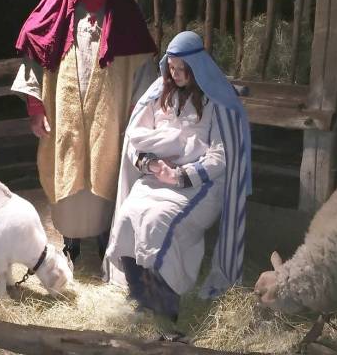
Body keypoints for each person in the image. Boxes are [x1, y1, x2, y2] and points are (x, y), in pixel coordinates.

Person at [11, 0, 157, 263]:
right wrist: (35, 106)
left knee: (106, 169)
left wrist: (137, 112)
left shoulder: (124, 12)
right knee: (67, 168)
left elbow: (142, 68)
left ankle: (106, 237)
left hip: (108, 114)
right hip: (65, 115)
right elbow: (34, 50)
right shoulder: (58, 9)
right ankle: (71, 241)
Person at [104, 31, 252, 321]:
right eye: (171, 68)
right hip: (157, 177)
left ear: (197, 68)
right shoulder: (160, 93)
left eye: (183, 69)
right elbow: (135, 139)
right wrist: (150, 165)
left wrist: (180, 175)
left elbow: (220, 157)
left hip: (199, 184)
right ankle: (140, 294)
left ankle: (164, 302)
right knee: (129, 215)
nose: (176, 74)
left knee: (159, 222)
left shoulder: (215, 100)